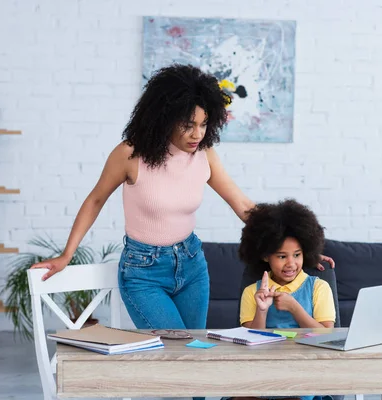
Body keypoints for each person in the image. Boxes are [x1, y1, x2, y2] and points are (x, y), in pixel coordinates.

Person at [30, 64, 334, 331]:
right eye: (188, 125)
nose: (197, 134)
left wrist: (302, 250)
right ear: (164, 118)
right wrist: (67, 254)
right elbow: (95, 200)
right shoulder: (130, 155)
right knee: (176, 352)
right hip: (143, 272)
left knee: (195, 357)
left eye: (203, 124)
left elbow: (244, 207)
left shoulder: (205, 155)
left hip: (191, 265)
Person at [231, 199, 335, 400]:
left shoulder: (319, 287)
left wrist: (295, 307)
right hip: (262, 369)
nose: (291, 263)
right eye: (281, 256)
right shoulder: (252, 291)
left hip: (304, 369)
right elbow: (249, 340)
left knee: (292, 394)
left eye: (297, 255)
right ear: (265, 256)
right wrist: (261, 310)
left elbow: (327, 336)